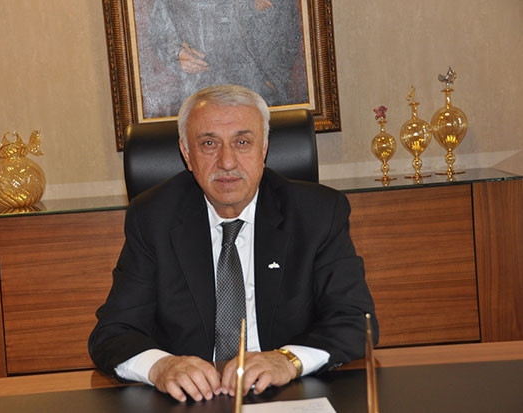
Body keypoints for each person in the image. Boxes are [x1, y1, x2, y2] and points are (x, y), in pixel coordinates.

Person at [89, 84, 378, 403]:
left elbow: (355, 321)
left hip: (290, 394)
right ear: (187, 154)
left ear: (263, 149)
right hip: (190, 399)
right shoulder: (153, 218)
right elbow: (113, 333)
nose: (227, 162)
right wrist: (161, 367)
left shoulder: (317, 214)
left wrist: (287, 360)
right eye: (209, 144)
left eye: (242, 142)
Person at [141, 0, 305, 117]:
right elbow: (159, 31)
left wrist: (271, 81)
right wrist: (177, 54)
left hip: (257, 96)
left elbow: (288, 32)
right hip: (199, 95)